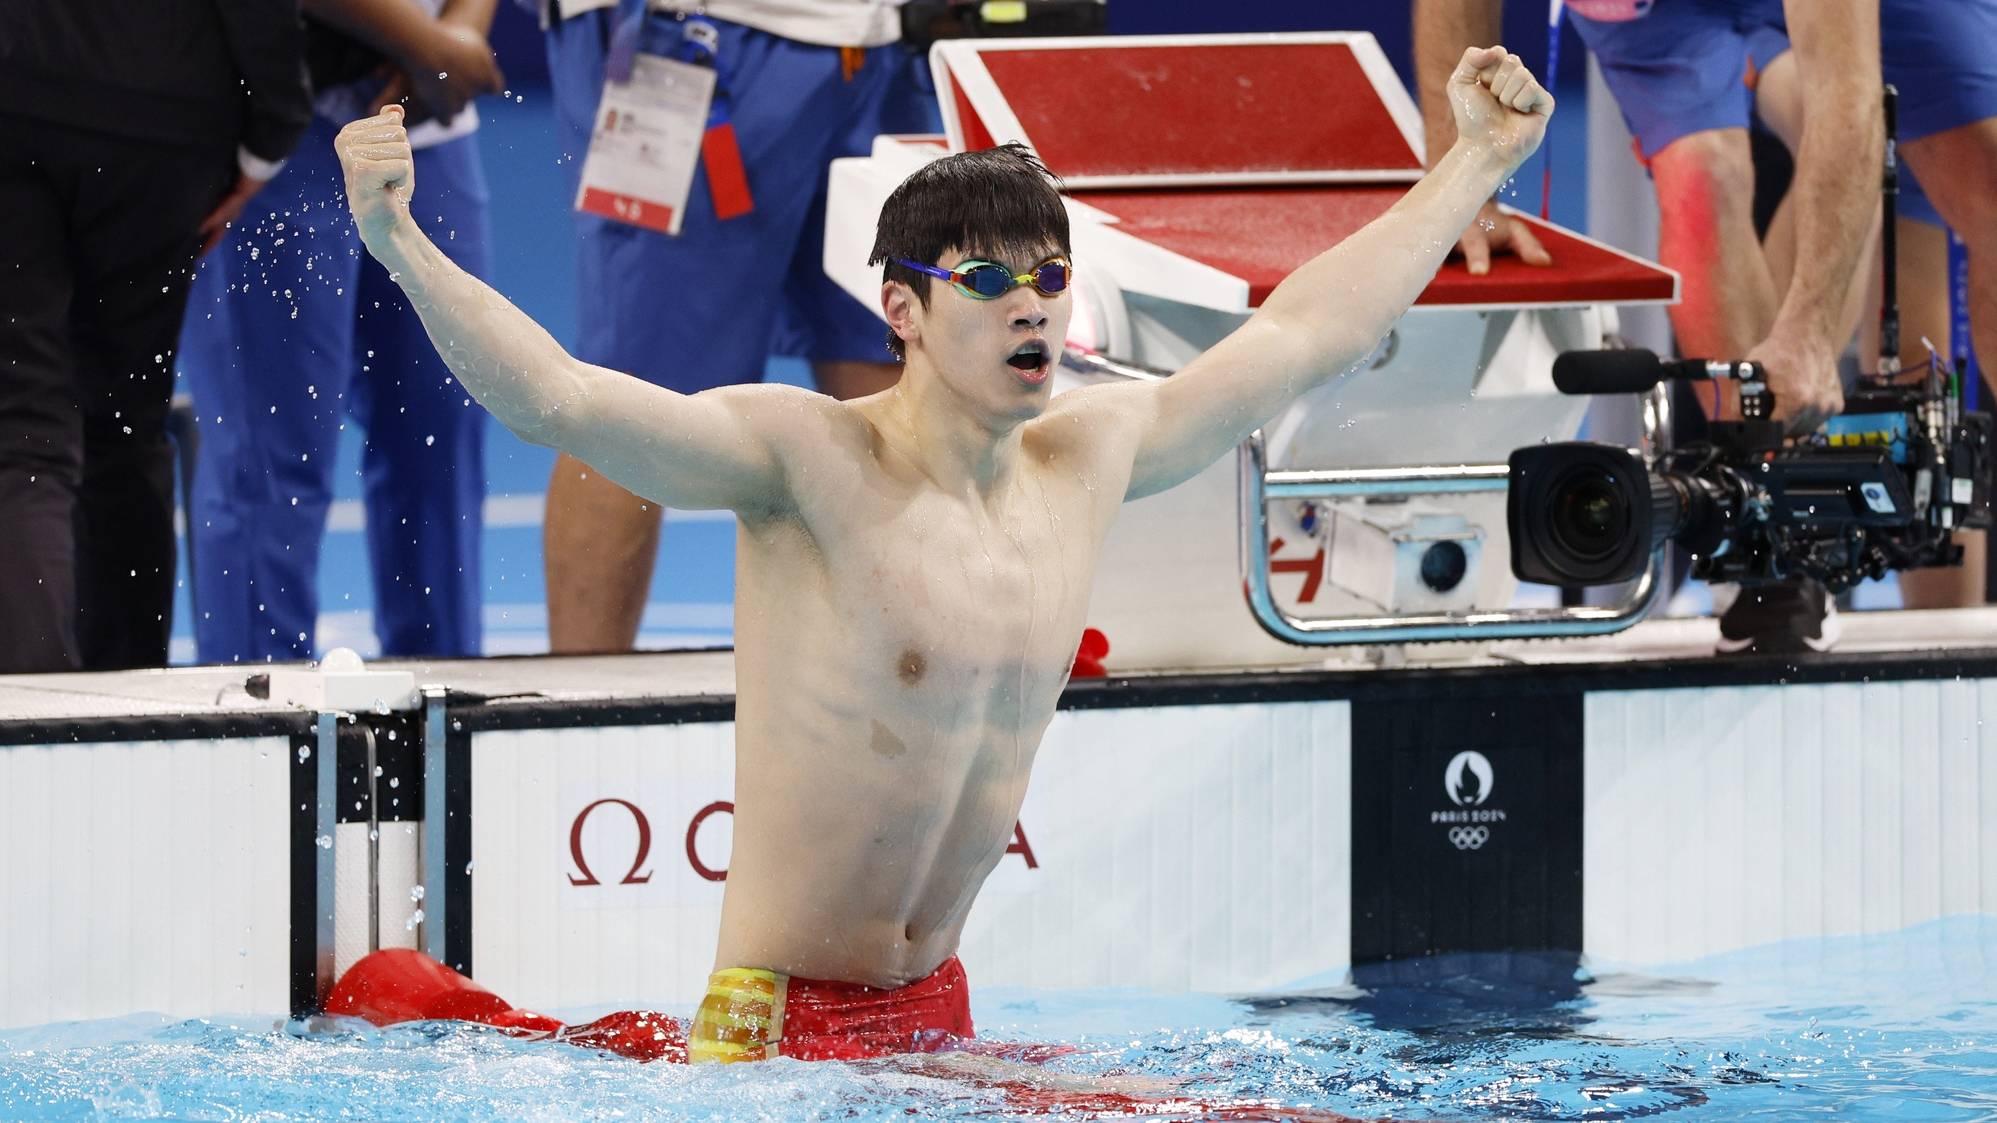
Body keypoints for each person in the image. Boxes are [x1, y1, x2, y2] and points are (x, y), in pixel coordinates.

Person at [330, 45, 1554, 1060]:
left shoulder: (1090, 458)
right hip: (778, 1036)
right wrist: (398, 242)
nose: (1031, 303)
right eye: (985, 278)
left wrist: (1473, 164)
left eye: (1049, 277)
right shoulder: (807, 464)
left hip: (941, 1019)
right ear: (902, 312)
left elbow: (1303, 331)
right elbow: (560, 399)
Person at [1418, 0, 1997, 646]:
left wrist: (1808, 330)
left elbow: (1846, 97)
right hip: (1659, 22)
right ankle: (1770, 545)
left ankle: (1812, 497)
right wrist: (1462, 189)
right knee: (1699, 182)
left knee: (1982, 184)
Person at [538, 0, 938, 654]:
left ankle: (901, 703)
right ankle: (577, 715)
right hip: (690, 44)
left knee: (892, 369)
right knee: (631, 407)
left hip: (871, 43)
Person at [177, 0, 504, 663]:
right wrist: (426, 44)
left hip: (424, 121)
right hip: (269, 122)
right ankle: (256, 732)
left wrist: (460, 34)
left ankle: (442, 718)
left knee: (439, 433)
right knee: (268, 454)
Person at [0, 0, 311, 673]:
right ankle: (123, 724)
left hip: (16, 88)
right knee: (122, 426)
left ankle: (30, 726)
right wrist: (270, 134)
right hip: (159, 113)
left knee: (18, 429)